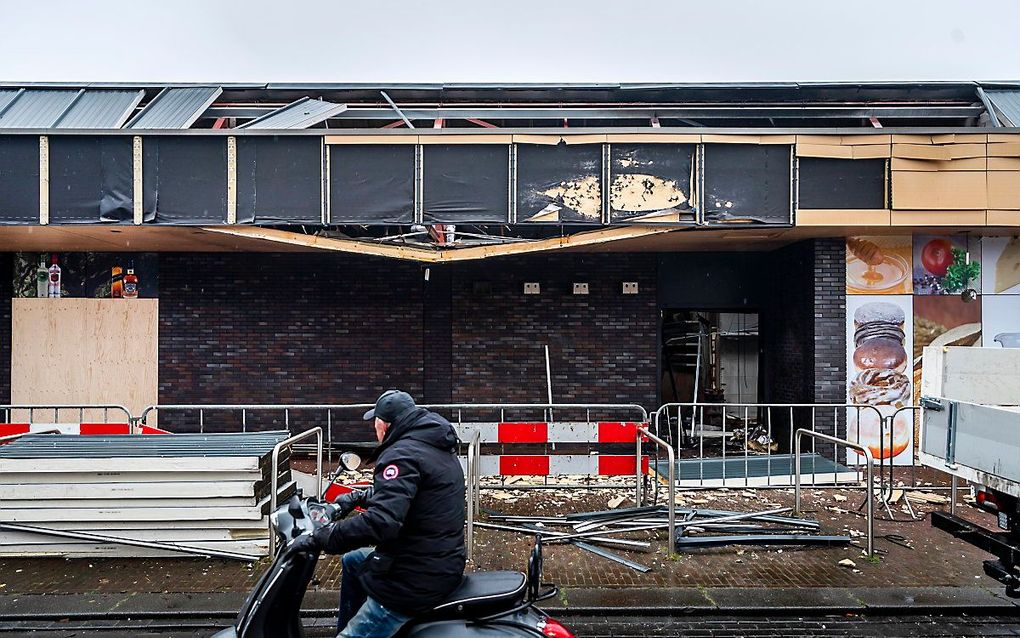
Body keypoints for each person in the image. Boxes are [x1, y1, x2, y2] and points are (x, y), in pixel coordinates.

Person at [293, 390, 466, 638]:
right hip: (439, 559)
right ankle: (348, 624)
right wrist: (357, 497)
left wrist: (324, 536)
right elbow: (414, 494)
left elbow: (380, 523)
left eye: (375, 423)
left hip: (412, 581)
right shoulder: (432, 445)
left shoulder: (400, 455)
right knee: (352, 561)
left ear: (383, 424)